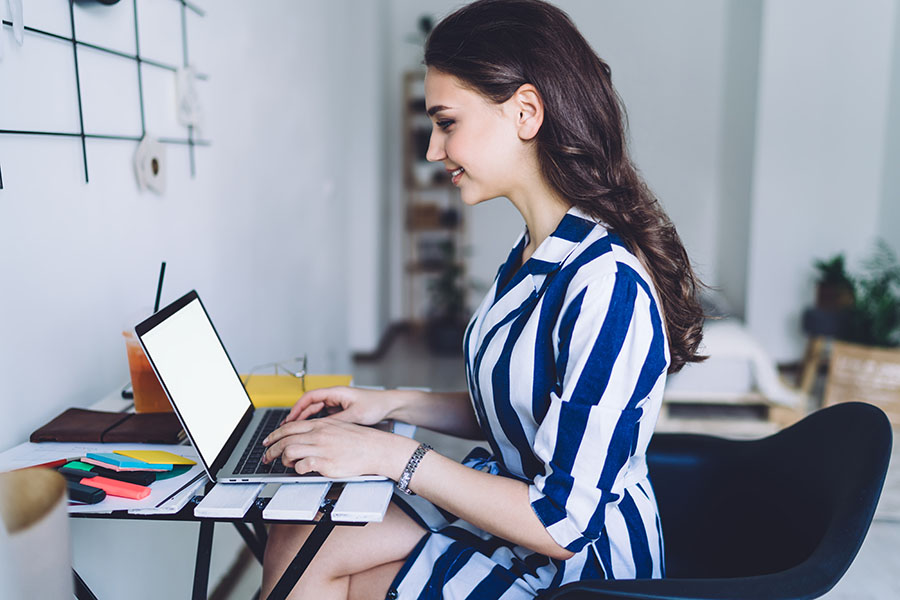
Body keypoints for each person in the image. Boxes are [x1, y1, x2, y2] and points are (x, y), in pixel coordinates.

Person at [260, 0, 705, 598]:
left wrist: (393, 456)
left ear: (525, 112)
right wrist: (385, 402)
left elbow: (563, 522)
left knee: (326, 562)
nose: (433, 151)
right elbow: (518, 409)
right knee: (299, 532)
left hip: (574, 569)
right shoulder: (537, 254)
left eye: (446, 123)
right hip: (513, 520)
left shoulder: (606, 285)